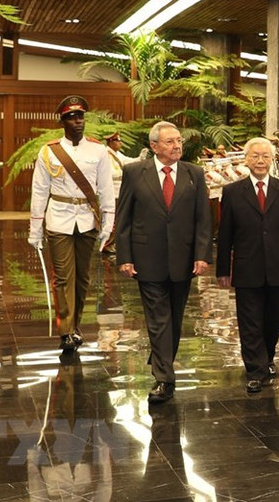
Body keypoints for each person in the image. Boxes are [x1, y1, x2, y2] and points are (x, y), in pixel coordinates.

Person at [115, 121, 212, 404]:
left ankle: (162, 362)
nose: (177, 146)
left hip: (183, 258)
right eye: (169, 142)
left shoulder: (194, 173)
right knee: (158, 318)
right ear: (154, 146)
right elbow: (124, 218)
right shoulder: (135, 173)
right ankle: (164, 378)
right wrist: (125, 256)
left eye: (179, 140)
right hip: (148, 257)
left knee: (175, 318)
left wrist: (202, 254)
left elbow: (203, 218)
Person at [217, 136, 279, 393]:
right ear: (246, 160)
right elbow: (225, 235)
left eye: (265, 156)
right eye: (255, 155)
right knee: (250, 320)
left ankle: (266, 356)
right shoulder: (233, 192)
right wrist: (223, 269)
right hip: (247, 266)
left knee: (276, 317)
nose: (260, 160)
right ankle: (255, 370)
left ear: (272, 160)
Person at [29, 95, 114, 354]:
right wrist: (35, 229)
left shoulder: (98, 150)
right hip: (59, 219)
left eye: (81, 117)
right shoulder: (49, 151)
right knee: (64, 277)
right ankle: (66, 331)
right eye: (72, 117)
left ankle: (75, 325)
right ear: (62, 121)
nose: (78, 122)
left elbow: (106, 190)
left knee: (83, 278)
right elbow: (40, 190)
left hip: (87, 219)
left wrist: (108, 224)